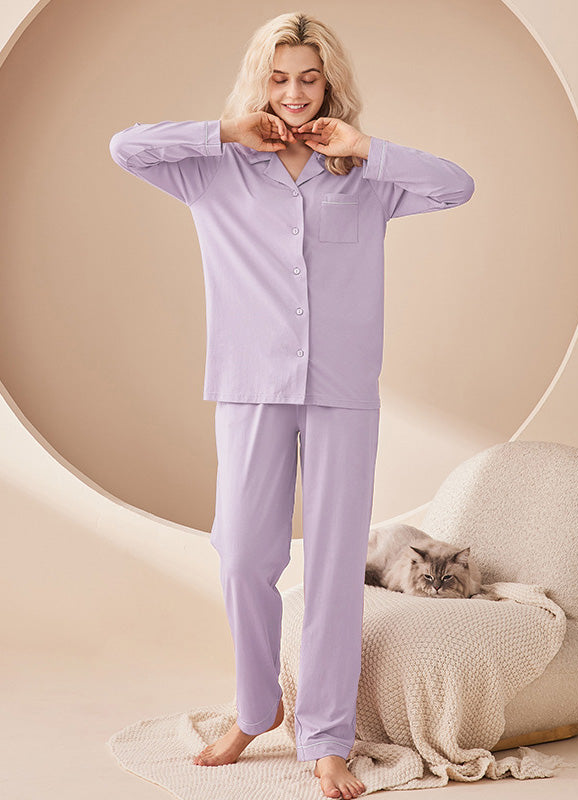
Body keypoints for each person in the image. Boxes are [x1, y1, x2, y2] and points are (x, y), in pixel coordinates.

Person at [109, 11, 475, 799]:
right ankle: (257, 706)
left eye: (309, 77)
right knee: (244, 554)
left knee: (336, 564)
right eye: (279, 78)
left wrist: (365, 146)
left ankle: (328, 739)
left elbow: (456, 185)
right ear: (261, 80)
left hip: (343, 389)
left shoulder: (362, 174)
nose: (295, 92)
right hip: (249, 382)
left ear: (329, 82)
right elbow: (125, 147)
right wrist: (225, 131)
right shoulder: (215, 168)